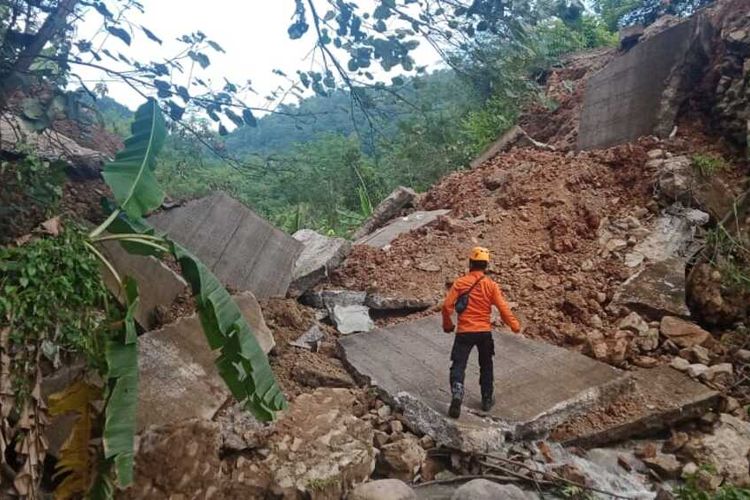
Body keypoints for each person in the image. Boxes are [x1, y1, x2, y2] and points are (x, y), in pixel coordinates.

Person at [441, 246, 521, 418]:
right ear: (486, 265)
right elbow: (503, 308)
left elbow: (447, 306)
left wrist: (448, 325)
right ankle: (486, 399)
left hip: (464, 333)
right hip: (484, 332)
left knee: (458, 364)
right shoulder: (491, 285)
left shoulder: (461, 283)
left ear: (470, 263)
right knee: (486, 365)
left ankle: (457, 392)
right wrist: (514, 326)